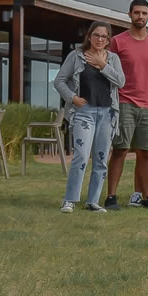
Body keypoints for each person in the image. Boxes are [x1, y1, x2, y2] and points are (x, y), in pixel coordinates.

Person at [54, 22, 126, 213]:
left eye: (104, 36)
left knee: (101, 159)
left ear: (109, 39)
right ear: (89, 36)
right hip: (84, 113)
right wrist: (72, 98)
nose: (100, 39)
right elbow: (59, 80)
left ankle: (93, 201)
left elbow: (120, 82)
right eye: (96, 35)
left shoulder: (113, 59)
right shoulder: (76, 56)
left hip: (107, 114)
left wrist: (103, 65)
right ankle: (69, 200)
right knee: (81, 156)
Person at [104, 0, 148, 211]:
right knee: (120, 149)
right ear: (129, 14)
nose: (140, 16)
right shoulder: (117, 42)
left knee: (146, 152)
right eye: (137, 13)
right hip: (124, 102)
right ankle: (111, 197)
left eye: (144, 13)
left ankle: (147, 197)